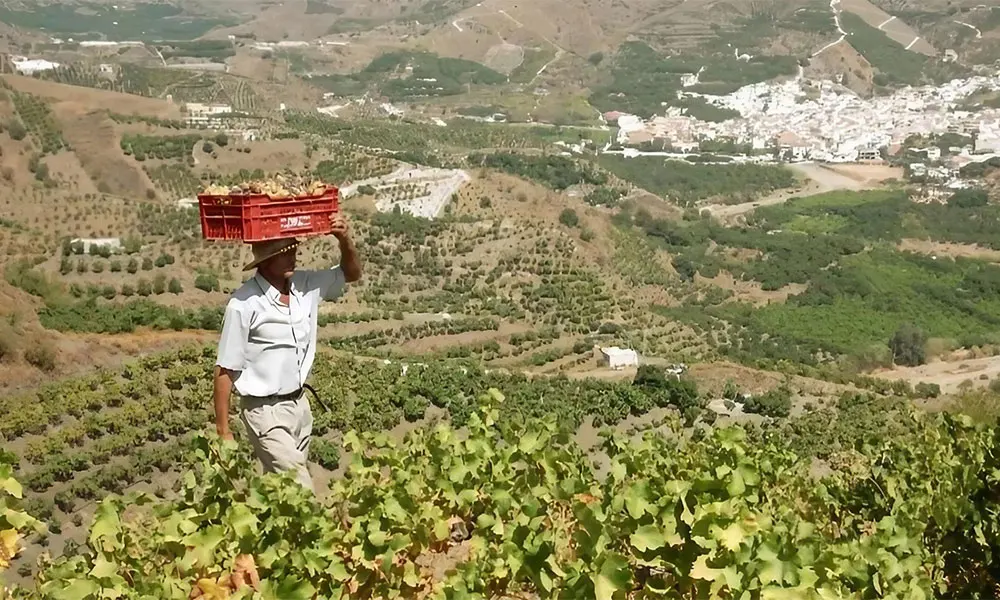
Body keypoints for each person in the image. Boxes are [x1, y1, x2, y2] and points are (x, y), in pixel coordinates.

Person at [212, 215, 362, 492]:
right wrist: (224, 430)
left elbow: (351, 274)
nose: (292, 257)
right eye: (284, 254)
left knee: (283, 496)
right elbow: (225, 369)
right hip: (264, 411)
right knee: (301, 490)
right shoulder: (243, 304)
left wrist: (344, 240)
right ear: (265, 262)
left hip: (299, 407)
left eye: (293, 250)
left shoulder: (306, 285)